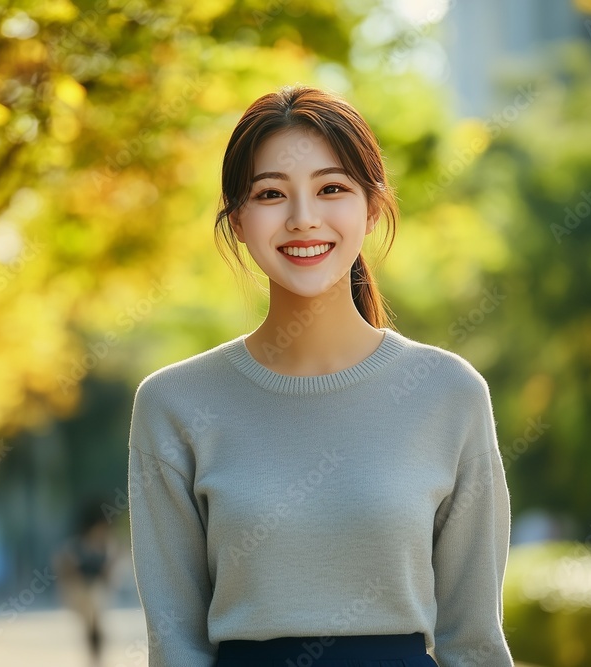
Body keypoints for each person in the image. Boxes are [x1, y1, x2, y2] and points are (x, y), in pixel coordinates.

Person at [126, 85, 514, 667]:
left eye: (331, 188)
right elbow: (175, 645)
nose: (303, 219)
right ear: (236, 220)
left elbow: (474, 640)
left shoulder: (449, 393)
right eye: (270, 194)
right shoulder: (174, 405)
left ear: (373, 206)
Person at [53, 498, 122, 667]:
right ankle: (95, 657)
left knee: (95, 624)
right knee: (91, 623)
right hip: (80, 593)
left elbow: (110, 574)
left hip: (95, 594)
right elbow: (65, 572)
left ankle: (96, 658)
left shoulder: (107, 546)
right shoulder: (75, 547)